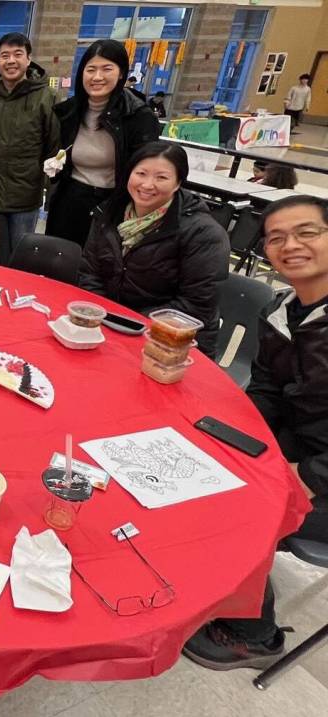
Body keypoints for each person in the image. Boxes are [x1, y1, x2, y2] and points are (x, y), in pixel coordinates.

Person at [183, 195, 328, 671]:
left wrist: (304, 477)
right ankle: (216, 579)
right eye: (276, 237)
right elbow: (266, 389)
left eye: (308, 232)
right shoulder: (286, 310)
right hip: (299, 447)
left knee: (231, 500)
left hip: (320, 474)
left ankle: (255, 634)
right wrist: (232, 436)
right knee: (195, 460)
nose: (291, 245)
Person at [78, 142, 229, 358]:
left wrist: (128, 322)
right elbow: (89, 271)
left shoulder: (203, 233)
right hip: (111, 325)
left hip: (170, 341)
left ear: (178, 183)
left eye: (161, 177)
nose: (148, 185)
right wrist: (106, 315)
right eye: (141, 173)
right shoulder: (109, 213)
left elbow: (196, 304)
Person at [46, 39, 160, 246]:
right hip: (70, 199)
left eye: (107, 69)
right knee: (58, 261)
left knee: (98, 267)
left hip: (113, 204)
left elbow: (147, 169)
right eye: (91, 69)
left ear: (121, 73)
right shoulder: (69, 111)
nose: (97, 77)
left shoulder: (138, 117)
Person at [0, 32, 60, 264]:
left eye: (18, 54)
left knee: (20, 256)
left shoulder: (47, 98)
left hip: (24, 196)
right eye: (4, 55)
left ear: (28, 59)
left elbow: (54, 150)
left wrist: (51, 195)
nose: (11, 61)